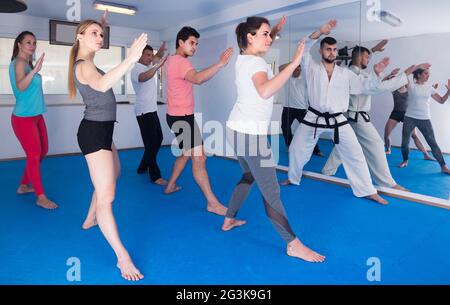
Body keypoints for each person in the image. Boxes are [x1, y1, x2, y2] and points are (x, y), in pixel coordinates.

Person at [224, 16, 325, 262]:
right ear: (250, 37)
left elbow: (258, 47)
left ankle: (229, 219)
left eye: (271, 34)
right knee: (271, 191)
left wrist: (275, 30)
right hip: (251, 135)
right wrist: (294, 63)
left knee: (248, 176)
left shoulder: (244, 58)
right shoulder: (255, 64)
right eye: (265, 34)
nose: (270, 38)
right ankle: (293, 244)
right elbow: (266, 90)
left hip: (235, 128)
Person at [68, 16, 147, 281]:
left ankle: (90, 219)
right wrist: (131, 58)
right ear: (79, 36)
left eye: (102, 34)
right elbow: (102, 85)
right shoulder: (82, 65)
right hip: (93, 134)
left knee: (114, 174)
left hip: (103, 130)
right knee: (107, 196)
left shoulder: (89, 61)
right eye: (94, 33)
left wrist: (99, 23)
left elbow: (101, 80)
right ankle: (122, 257)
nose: (100, 38)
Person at [281, 20, 390, 205]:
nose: (331, 52)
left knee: (355, 154)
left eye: (334, 49)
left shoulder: (345, 73)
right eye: (328, 49)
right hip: (313, 117)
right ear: (321, 51)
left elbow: (363, 87)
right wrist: (320, 31)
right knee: (296, 149)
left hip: (338, 120)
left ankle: (367, 190)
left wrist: (376, 74)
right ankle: (293, 178)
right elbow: (303, 47)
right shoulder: (311, 68)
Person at [163, 26, 233, 215]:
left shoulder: (170, 60)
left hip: (174, 115)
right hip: (182, 118)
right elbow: (198, 79)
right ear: (181, 42)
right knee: (199, 158)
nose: (195, 47)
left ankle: (170, 185)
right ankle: (212, 203)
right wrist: (219, 64)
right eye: (192, 43)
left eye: (196, 44)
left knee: (186, 154)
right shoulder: (181, 62)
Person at [321, 44, 409, 190]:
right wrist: (404, 75)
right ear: (360, 56)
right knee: (376, 145)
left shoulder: (356, 73)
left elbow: (371, 83)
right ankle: (388, 183)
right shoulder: (352, 74)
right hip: (356, 118)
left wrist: (386, 76)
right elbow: (374, 87)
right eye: (367, 57)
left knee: (342, 147)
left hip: (350, 117)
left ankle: (326, 172)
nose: (368, 60)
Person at [9, 31, 58, 210]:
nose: (32, 45)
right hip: (23, 118)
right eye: (28, 42)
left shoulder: (28, 64)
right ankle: (40, 196)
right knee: (34, 154)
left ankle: (23, 185)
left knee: (42, 151)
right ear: (19, 45)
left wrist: (34, 70)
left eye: (34, 42)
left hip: (36, 115)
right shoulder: (19, 63)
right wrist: (35, 71)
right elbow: (21, 87)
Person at [399, 66, 450, 174]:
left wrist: (449, 91)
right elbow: (404, 74)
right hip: (410, 117)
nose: (428, 75)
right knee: (405, 142)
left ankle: (443, 166)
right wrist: (417, 66)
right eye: (426, 73)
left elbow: (441, 100)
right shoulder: (411, 85)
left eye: (428, 73)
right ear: (418, 74)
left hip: (425, 118)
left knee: (433, 143)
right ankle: (405, 160)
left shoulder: (429, 88)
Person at [131, 43, 168, 185]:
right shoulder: (136, 69)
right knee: (151, 143)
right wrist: (157, 66)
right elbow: (144, 77)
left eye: (150, 55)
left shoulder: (147, 64)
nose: (150, 57)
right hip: (143, 111)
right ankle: (155, 175)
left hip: (151, 109)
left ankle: (142, 166)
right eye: (147, 55)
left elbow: (155, 58)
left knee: (158, 139)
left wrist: (160, 52)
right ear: (140, 55)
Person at [279, 63, 323, 156]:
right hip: (288, 108)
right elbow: (280, 68)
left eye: (299, 70)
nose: (297, 71)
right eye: (295, 69)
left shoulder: (304, 79)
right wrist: (294, 62)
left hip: (301, 109)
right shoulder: (287, 78)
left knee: (309, 129)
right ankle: (290, 146)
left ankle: (316, 150)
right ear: (292, 70)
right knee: (285, 128)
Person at [384, 85, 433, 160]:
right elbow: (385, 83)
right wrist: (391, 75)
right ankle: (388, 149)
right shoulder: (393, 89)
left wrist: (432, 88)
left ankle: (426, 154)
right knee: (387, 132)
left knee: (414, 135)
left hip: (407, 114)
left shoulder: (410, 90)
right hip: (395, 113)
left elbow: (420, 92)